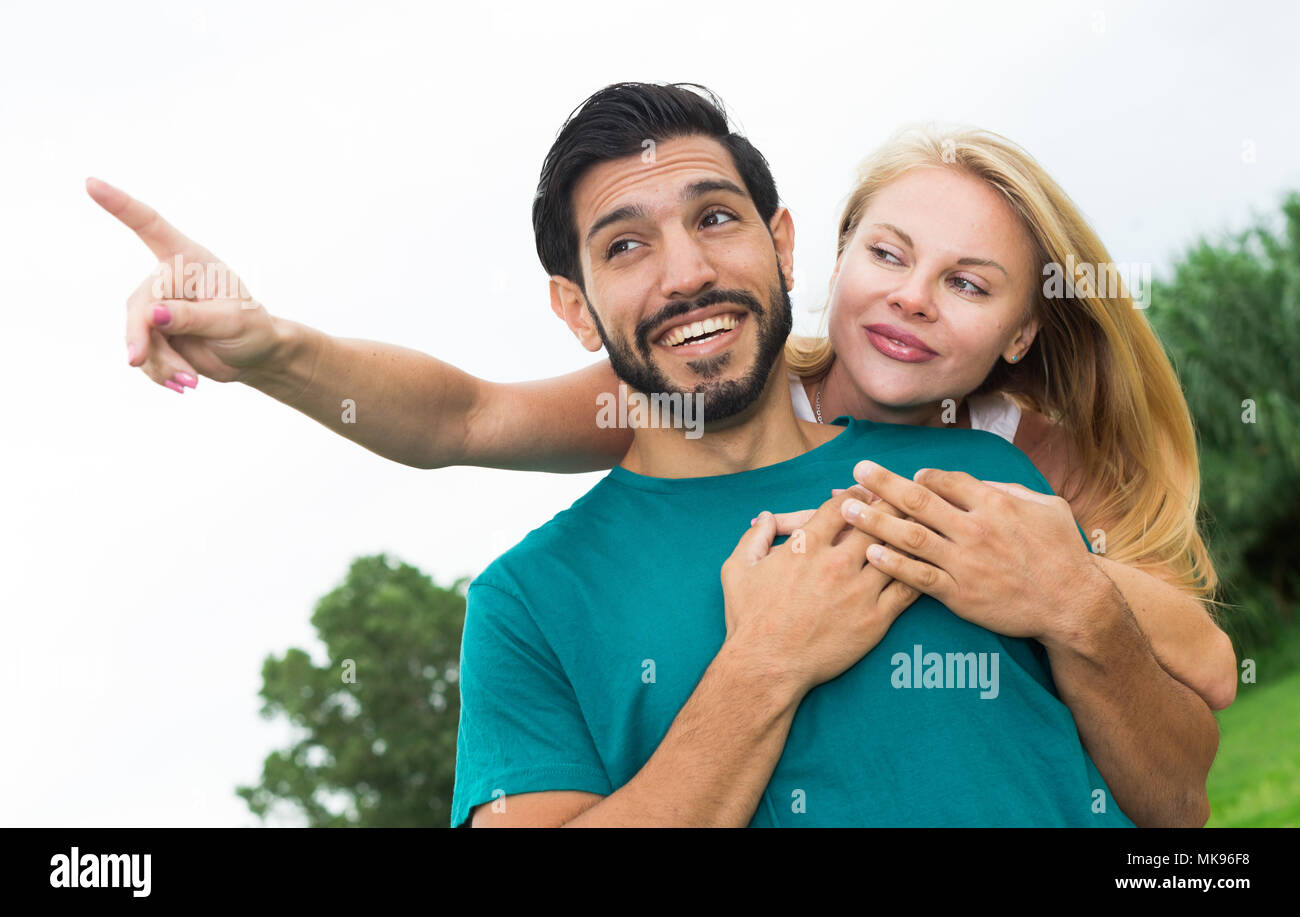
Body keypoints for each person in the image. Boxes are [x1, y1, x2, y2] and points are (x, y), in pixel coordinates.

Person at [90, 82, 1219, 827]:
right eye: (625, 246)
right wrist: (763, 664)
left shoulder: (976, 483)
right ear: (577, 312)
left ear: (781, 246)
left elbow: (1178, 803)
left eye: (715, 218)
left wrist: (1078, 599)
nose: (682, 272)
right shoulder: (529, 604)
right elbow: (461, 417)